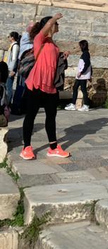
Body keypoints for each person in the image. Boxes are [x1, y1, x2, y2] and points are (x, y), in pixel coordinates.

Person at [21, 13, 70, 159]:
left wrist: (63, 55)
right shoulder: (39, 39)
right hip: (36, 84)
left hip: (51, 87)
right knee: (31, 116)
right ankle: (26, 147)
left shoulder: (54, 45)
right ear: (49, 26)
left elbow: (52, 61)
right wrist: (54, 18)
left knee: (51, 117)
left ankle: (53, 147)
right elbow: (48, 26)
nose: (57, 25)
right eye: (55, 24)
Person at [11, 21, 35, 114]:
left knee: (27, 87)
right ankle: (16, 107)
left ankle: (23, 106)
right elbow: (36, 39)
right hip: (24, 65)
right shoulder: (26, 36)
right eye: (33, 28)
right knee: (21, 86)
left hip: (30, 66)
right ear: (29, 28)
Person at [65, 40, 91, 111]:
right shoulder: (85, 53)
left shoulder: (86, 54)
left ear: (82, 46)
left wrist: (82, 72)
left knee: (83, 89)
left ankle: (86, 105)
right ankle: (73, 104)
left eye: (80, 46)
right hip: (81, 75)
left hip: (83, 75)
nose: (79, 47)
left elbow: (87, 64)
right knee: (75, 88)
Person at [5, 33, 19, 103]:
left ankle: (8, 103)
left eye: (9, 37)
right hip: (7, 68)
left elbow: (14, 59)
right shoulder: (12, 46)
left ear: (12, 37)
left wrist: (10, 70)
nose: (8, 38)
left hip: (10, 69)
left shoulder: (15, 46)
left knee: (8, 87)